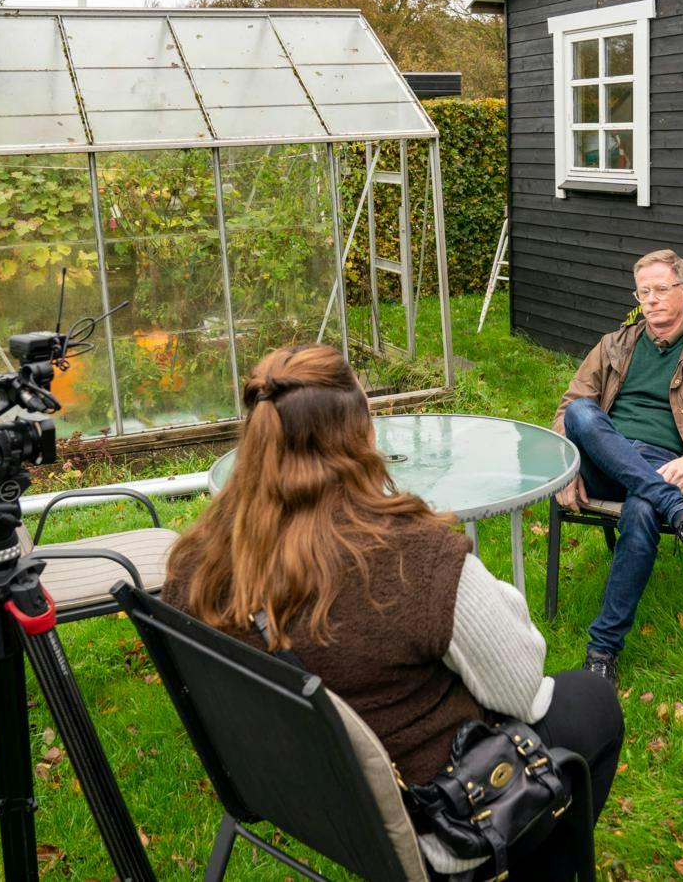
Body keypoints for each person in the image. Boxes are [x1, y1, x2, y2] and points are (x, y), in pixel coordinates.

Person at [164, 344, 622, 877]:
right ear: (362, 434)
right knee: (589, 698)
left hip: (300, 793)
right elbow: (523, 688)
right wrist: (488, 590)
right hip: (433, 821)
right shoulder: (411, 559)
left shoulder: (197, 561)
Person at [553, 249, 683, 686]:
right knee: (582, 415)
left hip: (667, 463)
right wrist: (568, 468)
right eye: (645, 292)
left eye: (662, 290)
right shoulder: (614, 344)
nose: (652, 300)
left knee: (641, 511)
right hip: (609, 457)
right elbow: (568, 408)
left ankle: (602, 651)